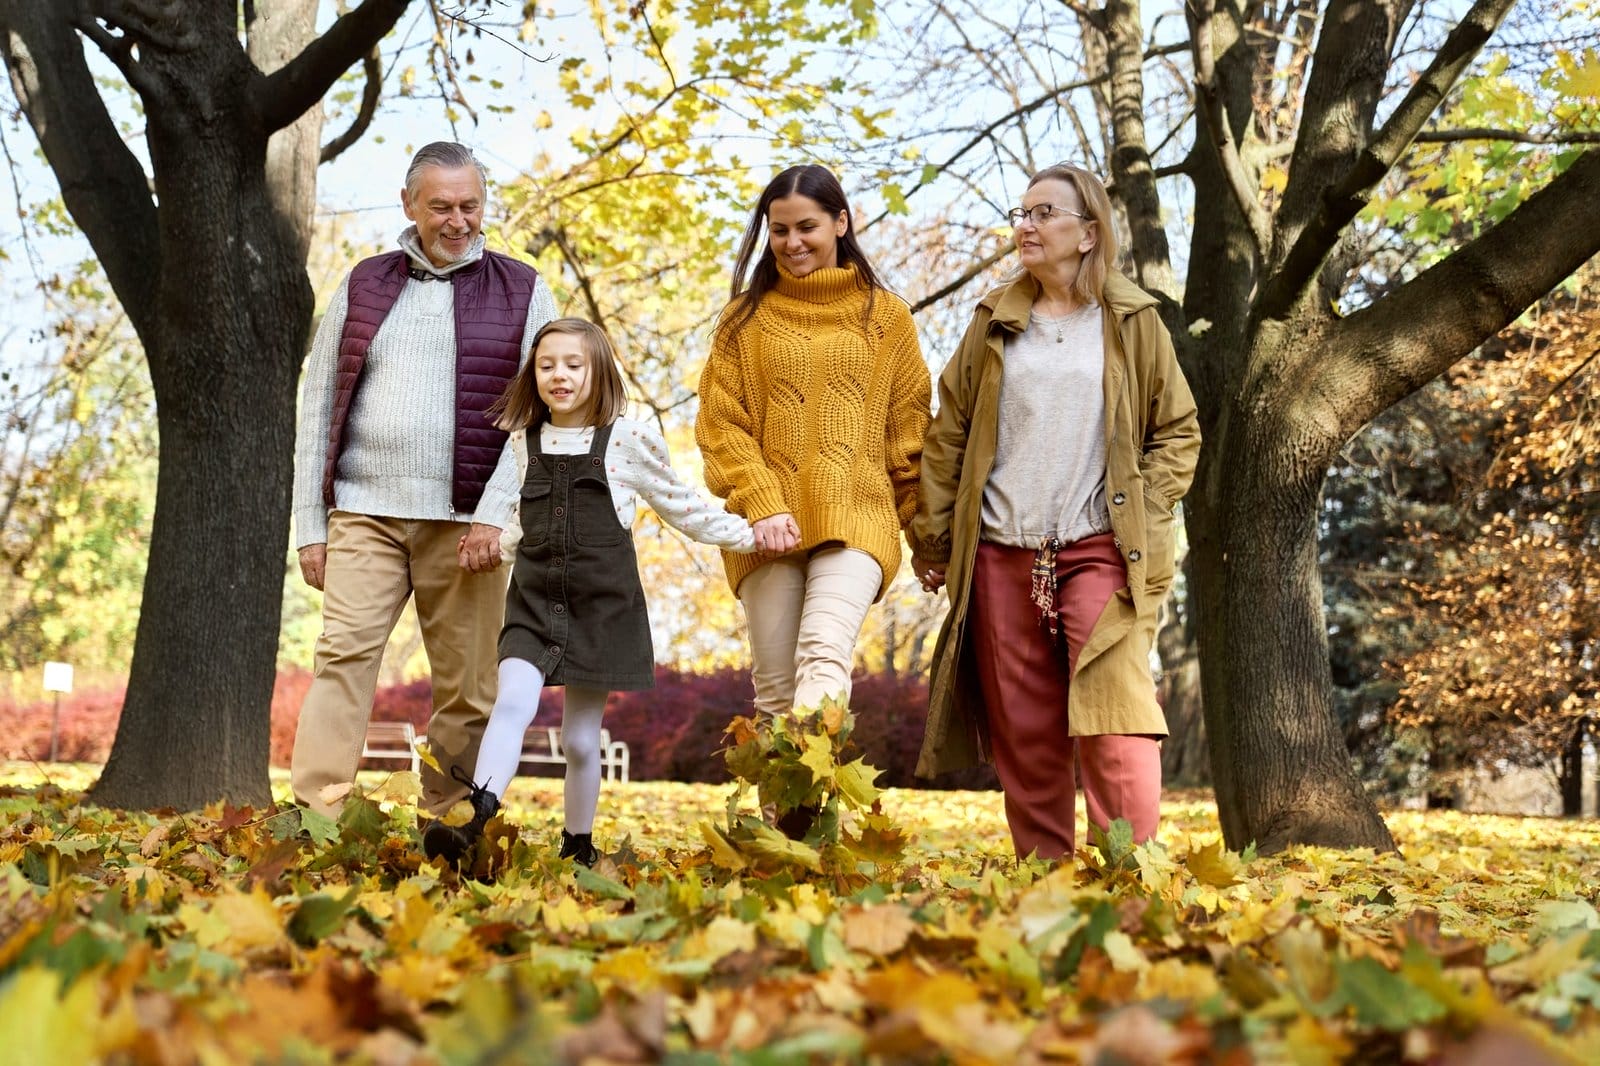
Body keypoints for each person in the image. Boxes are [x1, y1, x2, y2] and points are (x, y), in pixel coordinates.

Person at [909, 163, 1201, 861]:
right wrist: (934, 536)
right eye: (1023, 213)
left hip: (1098, 547)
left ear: (1088, 233)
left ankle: (1130, 872)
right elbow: (949, 432)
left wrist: (1140, 504)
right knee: (1025, 726)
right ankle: (1045, 877)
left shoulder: (1131, 322)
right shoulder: (995, 321)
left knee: (1115, 715)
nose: (1026, 226)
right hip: (1001, 553)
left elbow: (1179, 431)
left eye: (1045, 214)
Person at [422, 318, 757, 868]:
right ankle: (474, 823)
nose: (559, 375)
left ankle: (577, 844)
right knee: (511, 704)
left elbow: (682, 506)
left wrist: (751, 534)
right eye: (547, 365)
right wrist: (488, 550)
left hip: (600, 611)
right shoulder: (521, 443)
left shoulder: (627, 439)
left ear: (598, 370)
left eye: (573, 365)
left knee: (579, 739)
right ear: (533, 374)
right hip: (531, 605)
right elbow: (524, 526)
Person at [290, 141, 555, 819]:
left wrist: (497, 513)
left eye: (470, 205)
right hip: (363, 512)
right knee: (342, 659)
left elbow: (540, 415)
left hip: (468, 521)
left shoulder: (524, 289)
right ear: (409, 204)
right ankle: (319, 818)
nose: (458, 220)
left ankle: (448, 821)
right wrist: (311, 527)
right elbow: (318, 403)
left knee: (469, 686)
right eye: (441, 206)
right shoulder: (364, 282)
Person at [695, 164, 931, 731]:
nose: (793, 242)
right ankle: (784, 823)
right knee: (776, 691)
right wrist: (763, 502)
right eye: (779, 230)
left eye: (807, 227)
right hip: (766, 528)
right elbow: (721, 427)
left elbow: (909, 437)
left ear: (840, 222)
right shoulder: (742, 321)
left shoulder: (886, 317)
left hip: (857, 516)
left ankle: (815, 801)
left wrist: (928, 538)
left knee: (823, 656)